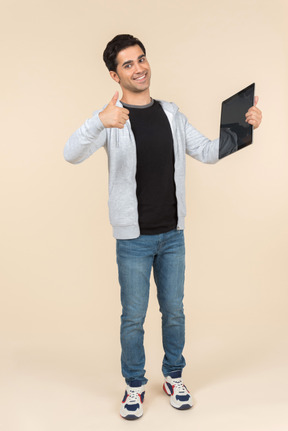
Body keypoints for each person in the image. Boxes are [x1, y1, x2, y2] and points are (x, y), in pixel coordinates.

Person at [63, 34, 262, 420]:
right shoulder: (112, 116)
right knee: (133, 317)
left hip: (172, 234)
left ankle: (173, 376)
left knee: (174, 310)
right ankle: (134, 386)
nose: (139, 68)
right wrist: (97, 122)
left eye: (141, 59)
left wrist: (245, 128)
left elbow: (206, 151)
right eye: (128, 64)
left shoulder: (171, 113)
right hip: (133, 239)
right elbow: (70, 154)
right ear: (114, 75)